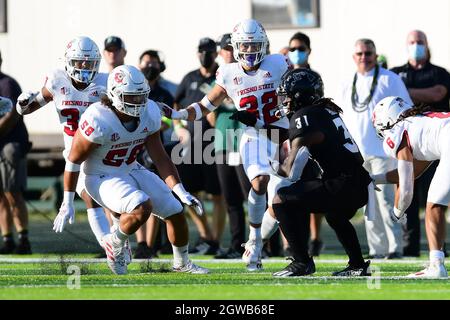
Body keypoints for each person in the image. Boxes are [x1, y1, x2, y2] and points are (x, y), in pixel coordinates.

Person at [160, 19, 292, 271]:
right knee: (259, 182)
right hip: (253, 135)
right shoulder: (229, 73)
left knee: (281, 197)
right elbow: (204, 106)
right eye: (246, 46)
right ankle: (254, 239)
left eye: (255, 46)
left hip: (281, 133)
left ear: (264, 45)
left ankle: (255, 242)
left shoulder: (278, 63)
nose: (251, 51)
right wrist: (176, 115)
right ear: (236, 47)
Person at [57, 64, 208, 275]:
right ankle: (115, 242)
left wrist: (181, 191)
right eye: (131, 97)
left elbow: (160, 156)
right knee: (141, 207)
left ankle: (181, 263)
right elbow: (73, 160)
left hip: (130, 168)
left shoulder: (150, 112)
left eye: (141, 96)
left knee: (175, 210)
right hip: (100, 175)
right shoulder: (98, 118)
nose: (138, 102)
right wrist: (67, 200)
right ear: (115, 95)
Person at [270, 68, 372, 277]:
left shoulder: (304, 116)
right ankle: (357, 265)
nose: (285, 101)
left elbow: (290, 168)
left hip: (342, 183)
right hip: (357, 182)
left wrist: (270, 166)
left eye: (287, 96)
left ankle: (301, 261)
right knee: (335, 216)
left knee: (280, 200)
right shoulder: (324, 110)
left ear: (300, 96)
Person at [16, 36, 112, 254]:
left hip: (103, 151)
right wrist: (22, 104)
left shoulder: (105, 83)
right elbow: (29, 108)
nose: (85, 67)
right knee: (91, 198)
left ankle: (117, 244)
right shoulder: (57, 81)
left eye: (89, 62)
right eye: (80, 62)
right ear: (69, 62)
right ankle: (111, 248)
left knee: (113, 204)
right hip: (75, 155)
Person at [337, 38, 412, 259]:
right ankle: (377, 249)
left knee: (387, 200)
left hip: (383, 151)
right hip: (358, 153)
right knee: (368, 204)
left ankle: (394, 247)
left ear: (375, 55)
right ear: (354, 57)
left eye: (368, 53)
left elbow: (405, 110)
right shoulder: (346, 81)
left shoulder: (390, 79)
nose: (364, 57)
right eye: (360, 54)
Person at [372, 96, 450, 278]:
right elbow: (414, 171)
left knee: (434, 206)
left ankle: (436, 265)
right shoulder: (422, 123)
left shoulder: (398, 130)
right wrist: (374, 179)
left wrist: (397, 212)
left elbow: (406, 188)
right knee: (437, 203)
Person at [390, 30, 450, 257]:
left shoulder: (439, 73)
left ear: (427, 45)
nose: (416, 46)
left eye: (420, 42)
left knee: (435, 201)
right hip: (423, 144)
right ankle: (410, 247)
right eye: (412, 42)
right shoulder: (397, 73)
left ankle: (437, 257)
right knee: (412, 195)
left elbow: (437, 94)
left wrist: (404, 93)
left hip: (435, 143)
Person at [172, 37, 225, 256]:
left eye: (210, 51)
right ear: (197, 53)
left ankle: (216, 240)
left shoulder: (222, 75)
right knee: (190, 191)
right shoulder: (189, 78)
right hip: (192, 144)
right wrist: (178, 128)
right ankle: (206, 235)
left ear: (216, 53)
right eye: (202, 51)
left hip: (216, 144)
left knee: (217, 194)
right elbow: (176, 104)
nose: (206, 55)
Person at [210, 33, 251, 259]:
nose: (230, 53)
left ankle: (265, 243)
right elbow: (210, 116)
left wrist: (229, 102)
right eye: (225, 49)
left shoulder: (245, 74)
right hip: (223, 143)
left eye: (232, 48)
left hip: (246, 143)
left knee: (253, 195)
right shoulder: (218, 77)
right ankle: (237, 245)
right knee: (231, 198)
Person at [133, 49, 176, 259]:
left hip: (153, 148)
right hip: (132, 149)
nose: (149, 68)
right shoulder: (132, 90)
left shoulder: (164, 94)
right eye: (146, 63)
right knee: (135, 197)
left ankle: (149, 245)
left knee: (151, 197)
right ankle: (140, 243)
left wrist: (147, 129)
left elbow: (168, 121)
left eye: (153, 64)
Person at [286, 31, 324, 257]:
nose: (296, 53)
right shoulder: (284, 73)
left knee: (312, 185)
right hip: (289, 134)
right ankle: (290, 242)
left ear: (309, 50)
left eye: (300, 48)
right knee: (287, 186)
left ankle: (315, 237)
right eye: (292, 49)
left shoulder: (314, 76)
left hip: (308, 135)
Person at [0, 91, 32, 254]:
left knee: (13, 193)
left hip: (8, 148)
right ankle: (7, 239)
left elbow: (14, 111)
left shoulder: (6, 83)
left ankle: (23, 239)